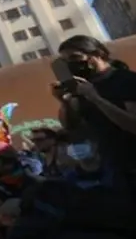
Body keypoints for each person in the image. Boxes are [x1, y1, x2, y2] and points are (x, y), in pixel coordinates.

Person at [54, 35, 136, 170]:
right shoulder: (84, 86)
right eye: (65, 61)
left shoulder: (126, 80)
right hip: (110, 166)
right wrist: (64, 102)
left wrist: (96, 99)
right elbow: (71, 126)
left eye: (75, 57)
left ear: (98, 54)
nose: (71, 64)